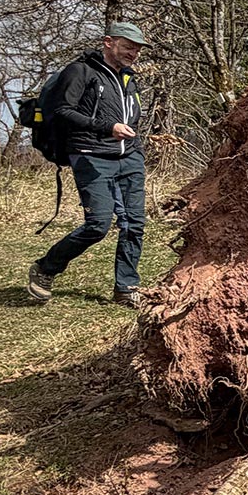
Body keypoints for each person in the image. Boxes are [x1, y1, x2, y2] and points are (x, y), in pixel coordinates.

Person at [26, 22, 150, 308]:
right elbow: (62, 111)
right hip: (91, 155)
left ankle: (126, 287)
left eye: (137, 49)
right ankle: (45, 267)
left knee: (134, 224)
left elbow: (132, 118)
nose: (133, 53)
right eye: (128, 47)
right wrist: (107, 127)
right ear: (108, 42)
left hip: (129, 156)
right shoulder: (80, 71)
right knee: (98, 225)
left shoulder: (129, 79)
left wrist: (136, 149)